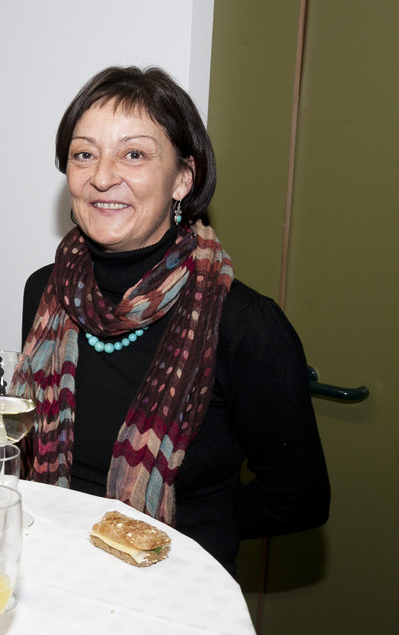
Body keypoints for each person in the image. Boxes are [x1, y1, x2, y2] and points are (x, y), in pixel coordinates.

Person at [21, 66, 330, 573]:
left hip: (173, 585)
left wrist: (192, 534)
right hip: (50, 570)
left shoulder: (244, 325)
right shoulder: (46, 293)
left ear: (183, 178)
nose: (102, 177)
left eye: (134, 154)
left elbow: (299, 498)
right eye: (84, 154)